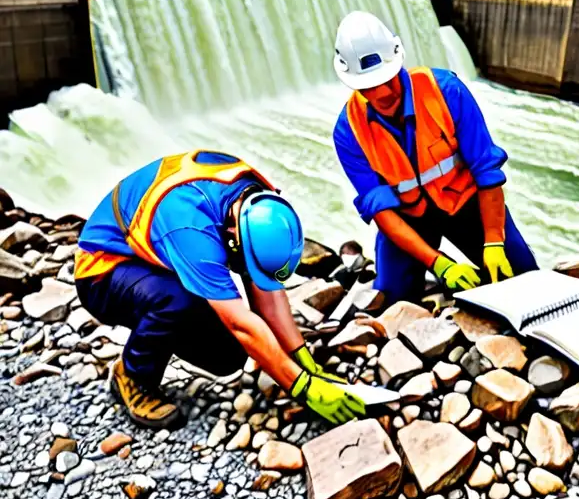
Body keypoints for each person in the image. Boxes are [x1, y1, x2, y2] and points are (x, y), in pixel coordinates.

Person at [75, 150, 366, 429]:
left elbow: (268, 297)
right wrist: (303, 388)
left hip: (158, 255)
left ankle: (152, 342)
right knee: (175, 302)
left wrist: (303, 359)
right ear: (230, 235)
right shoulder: (192, 229)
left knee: (227, 357)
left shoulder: (256, 199)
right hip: (103, 271)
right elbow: (241, 323)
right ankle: (133, 376)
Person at [332, 11, 539, 303]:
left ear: (398, 62)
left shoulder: (446, 92)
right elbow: (383, 213)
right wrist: (438, 263)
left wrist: (493, 240)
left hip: (467, 204)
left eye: (388, 80)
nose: (382, 93)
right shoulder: (348, 132)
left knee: (524, 278)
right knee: (395, 300)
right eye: (369, 87)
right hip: (409, 218)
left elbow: (487, 171)